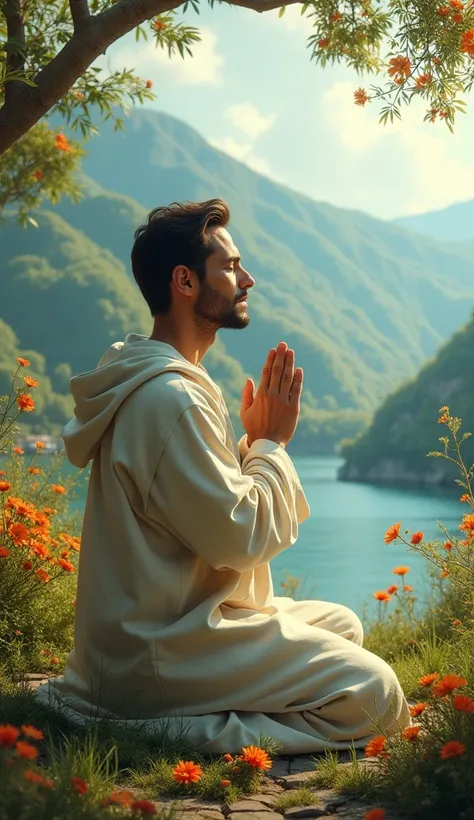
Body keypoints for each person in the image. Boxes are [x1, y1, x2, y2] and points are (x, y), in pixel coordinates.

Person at [36, 199, 410, 753]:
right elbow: (238, 539)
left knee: (343, 625)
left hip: (164, 631)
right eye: (231, 266)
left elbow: (201, 509)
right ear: (185, 281)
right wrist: (270, 445)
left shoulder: (167, 381)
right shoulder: (170, 397)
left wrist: (250, 446)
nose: (248, 278)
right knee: (376, 693)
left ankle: (174, 704)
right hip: (156, 653)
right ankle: (157, 727)